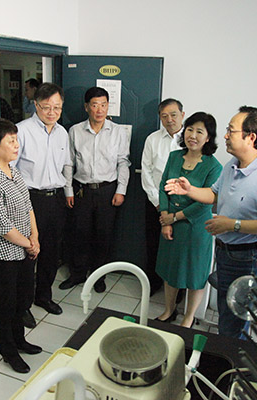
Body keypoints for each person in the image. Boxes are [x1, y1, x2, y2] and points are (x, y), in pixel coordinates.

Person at [165, 106, 257, 338]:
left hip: (250, 258)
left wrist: (232, 225)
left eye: (231, 130)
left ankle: (230, 357)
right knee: (227, 315)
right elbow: (214, 194)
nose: (226, 135)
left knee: (237, 322)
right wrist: (189, 190)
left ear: (250, 137)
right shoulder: (233, 164)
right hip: (226, 252)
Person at [0, 118, 43, 373]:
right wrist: (30, 244)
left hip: (24, 250)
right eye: (10, 141)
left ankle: (20, 341)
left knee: (22, 300)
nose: (16, 145)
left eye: (16, 139)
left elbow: (28, 206)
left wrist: (35, 237)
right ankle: (9, 352)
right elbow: (3, 226)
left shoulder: (14, 172)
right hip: (3, 256)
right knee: (6, 305)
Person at [154, 112, 222, 328]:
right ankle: (169, 310)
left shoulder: (214, 166)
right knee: (170, 269)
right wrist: (166, 218)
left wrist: (174, 218)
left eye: (199, 132)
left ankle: (189, 317)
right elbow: (163, 186)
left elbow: (205, 202)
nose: (193, 135)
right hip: (170, 224)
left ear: (208, 137)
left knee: (195, 274)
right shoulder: (175, 156)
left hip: (196, 227)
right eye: (190, 129)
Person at [61, 86, 131, 293]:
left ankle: (99, 276)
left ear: (108, 106)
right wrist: (68, 190)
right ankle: (77, 274)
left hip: (108, 191)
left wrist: (121, 190)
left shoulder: (118, 132)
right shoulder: (75, 131)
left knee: (104, 235)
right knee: (79, 234)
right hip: (81, 190)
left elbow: (123, 162)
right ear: (86, 107)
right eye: (94, 105)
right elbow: (68, 163)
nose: (99, 110)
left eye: (103, 105)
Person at [13, 82, 69, 318]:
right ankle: (23, 305)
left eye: (57, 107)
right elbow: (11, 171)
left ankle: (43, 296)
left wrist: (68, 194)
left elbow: (65, 166)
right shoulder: (21, 131)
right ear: (36, 105)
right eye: (46, 107)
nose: (52, 112)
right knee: (29, 253)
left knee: (51, 253)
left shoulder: (62, 133)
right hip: (30, 200)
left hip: (55, 200)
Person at [141, 98, 186, 296]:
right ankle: (153, 282)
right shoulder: (153, 139)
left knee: (178, 247)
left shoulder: (191, 139)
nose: (169, 120)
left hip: (182, 203)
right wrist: (158, 203)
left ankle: (178, 289)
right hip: (156, 202)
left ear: (182, 115)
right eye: (164, 116)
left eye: (173, 115)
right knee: (153, 244)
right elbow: (146, 171)